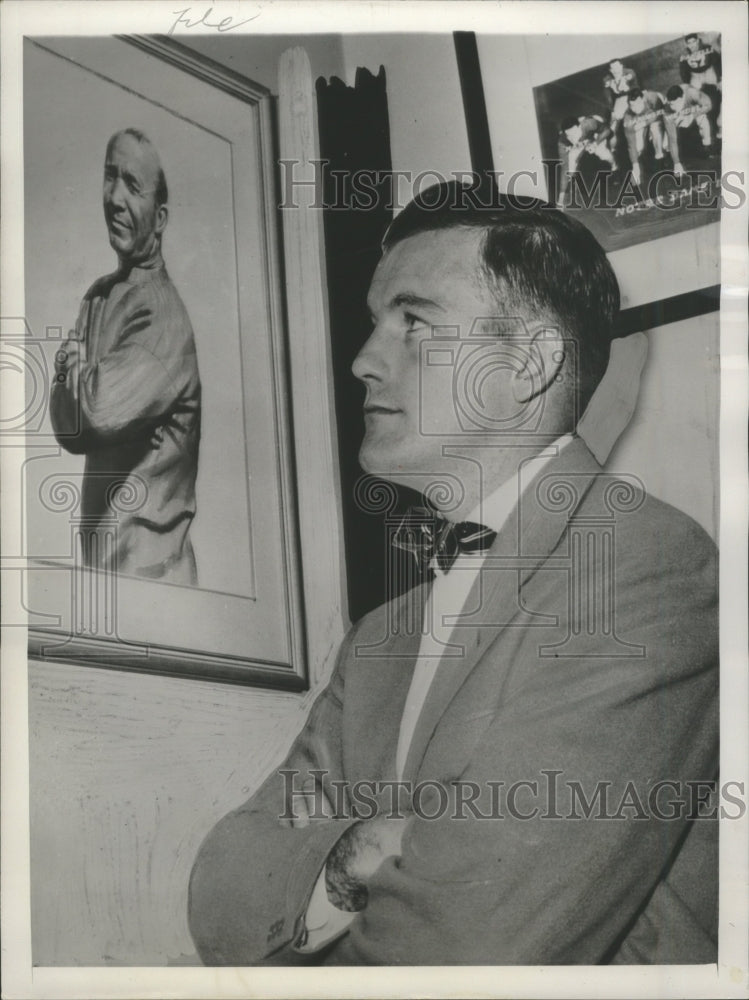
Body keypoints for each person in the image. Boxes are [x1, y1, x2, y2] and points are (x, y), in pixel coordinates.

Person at [188, 184, 718, 965]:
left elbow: (472, 945)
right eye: (375, 323)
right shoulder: (380, 636)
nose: (363, 361)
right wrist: (349, 859)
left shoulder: (641, 566)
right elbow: (223, 896)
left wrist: (332, 874)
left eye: (413, 321)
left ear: (530, 362)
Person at [50, 128, 201, 584]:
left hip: (153, 580)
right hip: (107, 573)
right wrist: (79, 380)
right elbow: (69, 429)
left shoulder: (162, 317)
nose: (114, 198)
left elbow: (94, 414)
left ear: (160, 217)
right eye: (110, 176)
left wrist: (73, 370)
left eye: (133, 186)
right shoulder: (99, 296)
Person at [556, 114, 615, 207]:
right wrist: (561, 199)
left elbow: (607, 130)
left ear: (579, 127)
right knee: (570, 165)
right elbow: (564, 169)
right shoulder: (562, 141)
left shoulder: (588, 124)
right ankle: (567, 191)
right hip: (580, 143)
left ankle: (615, 166)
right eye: (569, 135)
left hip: (595, 133)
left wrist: (595, 143)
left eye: (574, 133)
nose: (572, 136)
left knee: (604, 154)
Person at [663, 84, 715, 174]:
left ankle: (707, 146)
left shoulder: (691, 93)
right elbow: (672, 139)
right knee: (667, 139)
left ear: (682, 97)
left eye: (675, 103)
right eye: (671, 104)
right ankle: (669, 156)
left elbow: (708, 105)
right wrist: (676, 163)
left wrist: (693, 116)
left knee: (703, 119)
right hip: (680, 116)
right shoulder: (667, 110)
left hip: (694, 110)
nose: (673, 107)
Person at [622, 88, 668, 184]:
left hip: (657, 114)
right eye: (632, 105)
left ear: (643, 99)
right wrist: (635, 166)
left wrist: (645, 123)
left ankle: (660, 159)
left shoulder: (653, 99)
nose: (635, 108)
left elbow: (663, 114)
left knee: (656, 131)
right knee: (638, 147)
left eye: (638, 104)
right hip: (642, 120)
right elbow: (631, 144)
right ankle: (640, 166)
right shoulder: (628, 117)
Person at [602, 58, 639, 156]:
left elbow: (630, 79)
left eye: (617, 67)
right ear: (610, 70)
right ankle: (613, 151)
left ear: (622, 66)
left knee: (637, 117)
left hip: (634, 96)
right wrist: (612, 110)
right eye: (613, 69)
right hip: (621, 100)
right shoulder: (607, 79)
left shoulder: (629, 72)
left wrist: (623, 81)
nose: (616, 70)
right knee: (612, 127)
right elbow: (608, 97)